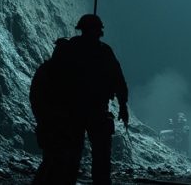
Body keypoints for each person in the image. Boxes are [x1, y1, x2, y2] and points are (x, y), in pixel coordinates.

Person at [60, 14, 129, 185]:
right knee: (96, 154)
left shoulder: (72, 48)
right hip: (87, 110)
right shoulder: (103, 51)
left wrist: (123, 105)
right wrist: (123, 106)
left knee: (77, 154)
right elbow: (118, 80)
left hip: (77, 110)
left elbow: (118, 80)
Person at [30, 38, 78, 185]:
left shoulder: (48, 70)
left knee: (52, 161)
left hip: (53, 123)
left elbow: (35, 97)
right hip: (55, 124)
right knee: (55, 162)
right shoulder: (62, 73)